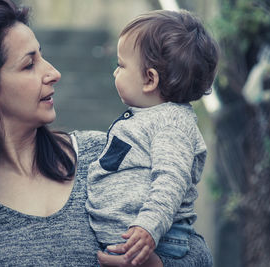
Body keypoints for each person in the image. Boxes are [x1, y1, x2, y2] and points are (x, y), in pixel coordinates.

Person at [0, 1, 213, 266]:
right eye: (29, 65)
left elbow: (196, 251)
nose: (53, 73)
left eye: (42, 56)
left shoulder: (103, 155)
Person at [86, 10, 218, 267]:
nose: (115, 73)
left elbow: (171, 180)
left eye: (120, 65)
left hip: (156, 239)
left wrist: (148, 227)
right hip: (135, 238)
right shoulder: (149, 118)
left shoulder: (172, 123)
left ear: (149, 79)